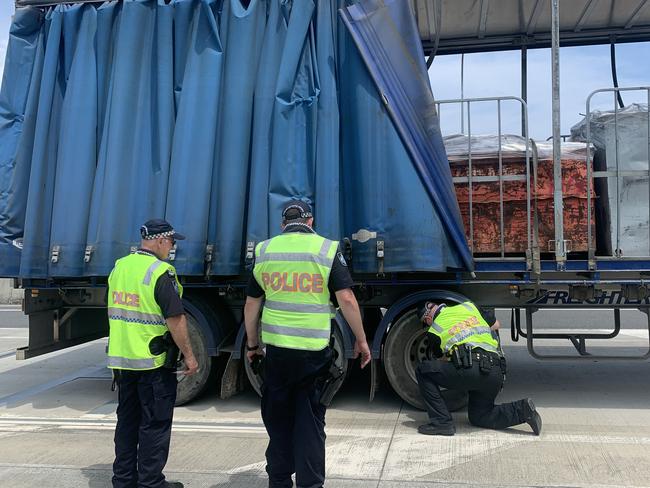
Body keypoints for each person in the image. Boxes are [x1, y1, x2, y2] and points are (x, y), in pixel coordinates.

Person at [244, 200, 372, 488]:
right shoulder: (325, 249)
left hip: (277, 354)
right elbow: (347, 299)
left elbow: (252, 304)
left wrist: (253, 345)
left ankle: (278, 481)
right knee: (310, 423)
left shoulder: (265, 250)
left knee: (278, 420)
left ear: (282, 225)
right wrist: (361, 341)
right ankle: (310, 484)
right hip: (313, 355)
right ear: (310, 221)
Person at [107, 219, 199, 488]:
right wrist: (190, 356)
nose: (172, 247)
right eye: (171, 241)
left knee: (126, 422)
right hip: (152, 363)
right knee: (154, 424)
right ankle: (150, 483)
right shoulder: (160, 272)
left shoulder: (119, 267)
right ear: (160, 240)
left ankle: (123, 480)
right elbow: (175, 319)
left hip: (123, 362)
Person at [415, 300, 542, 437]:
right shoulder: (468, 306)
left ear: (428, 319)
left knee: (423, 371)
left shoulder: (435, 330)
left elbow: (442, 359)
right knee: (480, 416)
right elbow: (496, 325)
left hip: (471, 370)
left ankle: (442, 423)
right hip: (496, 372)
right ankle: (522, 410)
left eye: (426, 323)